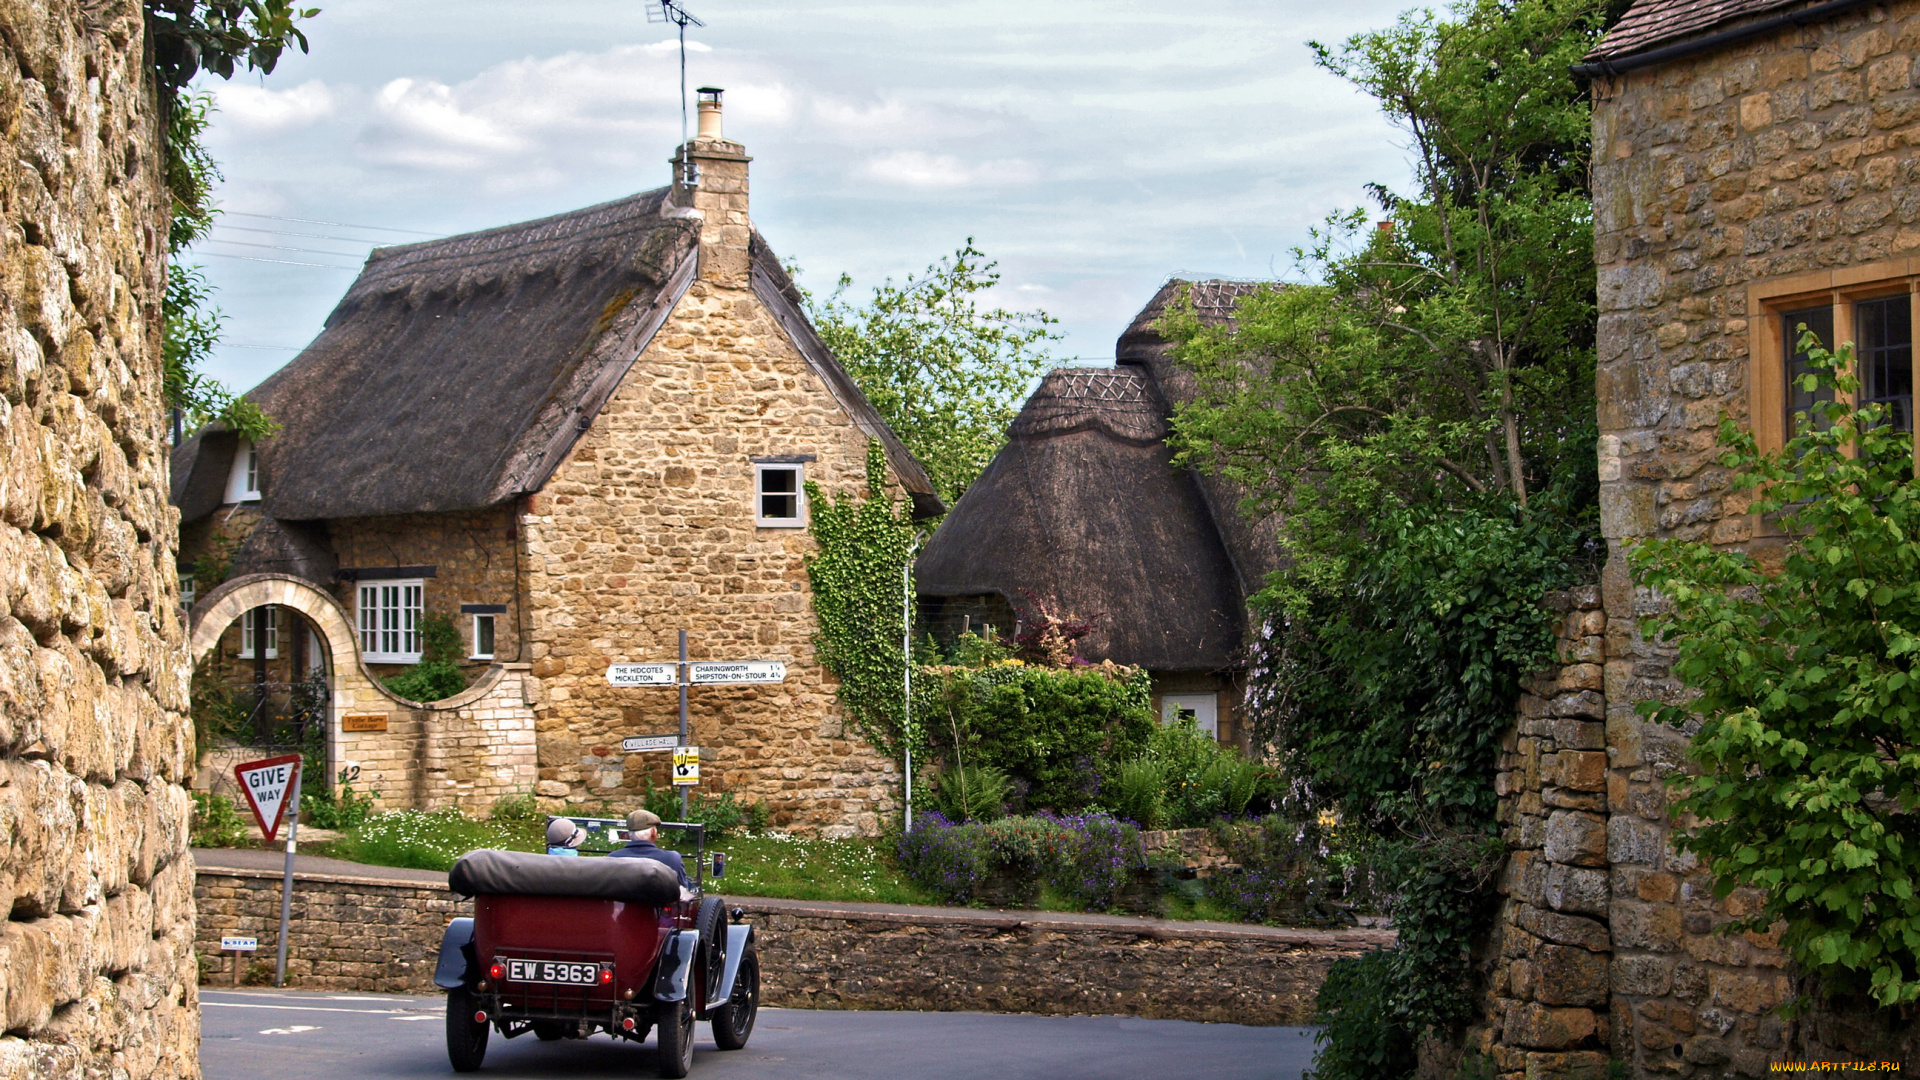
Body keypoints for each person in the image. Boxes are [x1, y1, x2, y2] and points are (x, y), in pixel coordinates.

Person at [607, 809, 695, 893]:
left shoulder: (612, 859)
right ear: (653, 832)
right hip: (660, 907)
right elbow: (682, 891)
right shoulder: (672, 859)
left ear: (629, 834)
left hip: (624, 908)